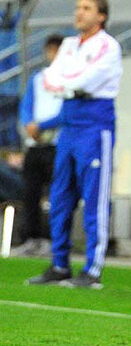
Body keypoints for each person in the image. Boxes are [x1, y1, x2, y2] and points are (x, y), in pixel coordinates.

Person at [26, 0, 123, 289]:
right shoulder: (69, 45)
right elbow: (48, 78)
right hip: (69, 124)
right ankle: (59, 264)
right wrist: (66, 83)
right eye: (78, 8)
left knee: (94, 199)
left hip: (95, 125)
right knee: (60, 196)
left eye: (86, 8)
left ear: (101, 16)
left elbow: (84, 81)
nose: (78, 13)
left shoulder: (108, 45)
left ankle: (92, 269)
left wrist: (65, 83)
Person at [12, 34, 64, 256]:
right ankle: (31, 238)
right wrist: (29, 125)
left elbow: (67, 111)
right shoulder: (38, 78)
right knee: (30, 193)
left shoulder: (70, 79)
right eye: (50, 49)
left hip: (57, 143)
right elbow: (26, 106)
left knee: (58, 195)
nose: (53, 54)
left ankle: (55, 239)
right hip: (35, 146)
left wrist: (43, 125)